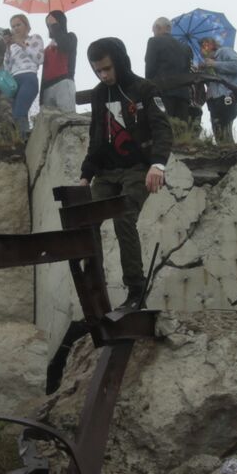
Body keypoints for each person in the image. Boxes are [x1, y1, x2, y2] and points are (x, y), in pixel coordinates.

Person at [79, 37, 174, 310]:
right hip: (106, 172)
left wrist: (158, 164)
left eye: (107, 68)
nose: (104, 75)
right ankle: (93, 287)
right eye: (98, 70)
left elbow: (162, 129)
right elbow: (96, 137)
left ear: (119, 62)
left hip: (137, 168)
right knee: (86, 220)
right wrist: (86, 174)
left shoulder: (144, 89)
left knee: (123, 217)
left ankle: (136, 291)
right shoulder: (98, 94)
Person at [145, 17, 197, 126]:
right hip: (183, 95)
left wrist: (148, 90)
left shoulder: (154, 41)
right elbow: (188, 70)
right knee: (181, 131)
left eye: (154, 30)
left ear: (158, 28)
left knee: (163, 128)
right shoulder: (185, 48)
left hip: (162, 92)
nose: (154, 33)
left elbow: (150, 68)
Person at [199, 37, 237, 144]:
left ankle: (229, 151)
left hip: (226, 95)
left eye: (205, 46)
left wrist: (214, 64)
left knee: (224, 126)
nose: (203, 50)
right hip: (213, 100)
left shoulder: (224, 51)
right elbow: (213, 83)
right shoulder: (208, 62)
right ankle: (225, 151)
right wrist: (203, 73)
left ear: (212, 45)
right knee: (218, 132)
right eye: (201, 47)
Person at [6, 14, 45, 137]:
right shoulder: (12, 46)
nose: (15, 29)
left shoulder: (35, 38)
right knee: (13, 115)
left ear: (27, 26)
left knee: (20, 112)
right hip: (13, 81)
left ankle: (24, 141)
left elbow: (40, 58)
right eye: (13, 27)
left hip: (28, 76)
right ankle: (20, 139)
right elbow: (7, 68)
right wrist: (7, 47)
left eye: (18, 25)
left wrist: (22, 44)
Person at [40, 9, 78, 112]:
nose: (50, 27)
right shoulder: (47, 47)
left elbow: (65, 46)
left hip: (64, 82)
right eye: (48, 25)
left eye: (53, 23)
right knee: (49, 123)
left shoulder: (71, 37)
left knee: (67, 117)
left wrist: (55, 26)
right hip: (47, 87)